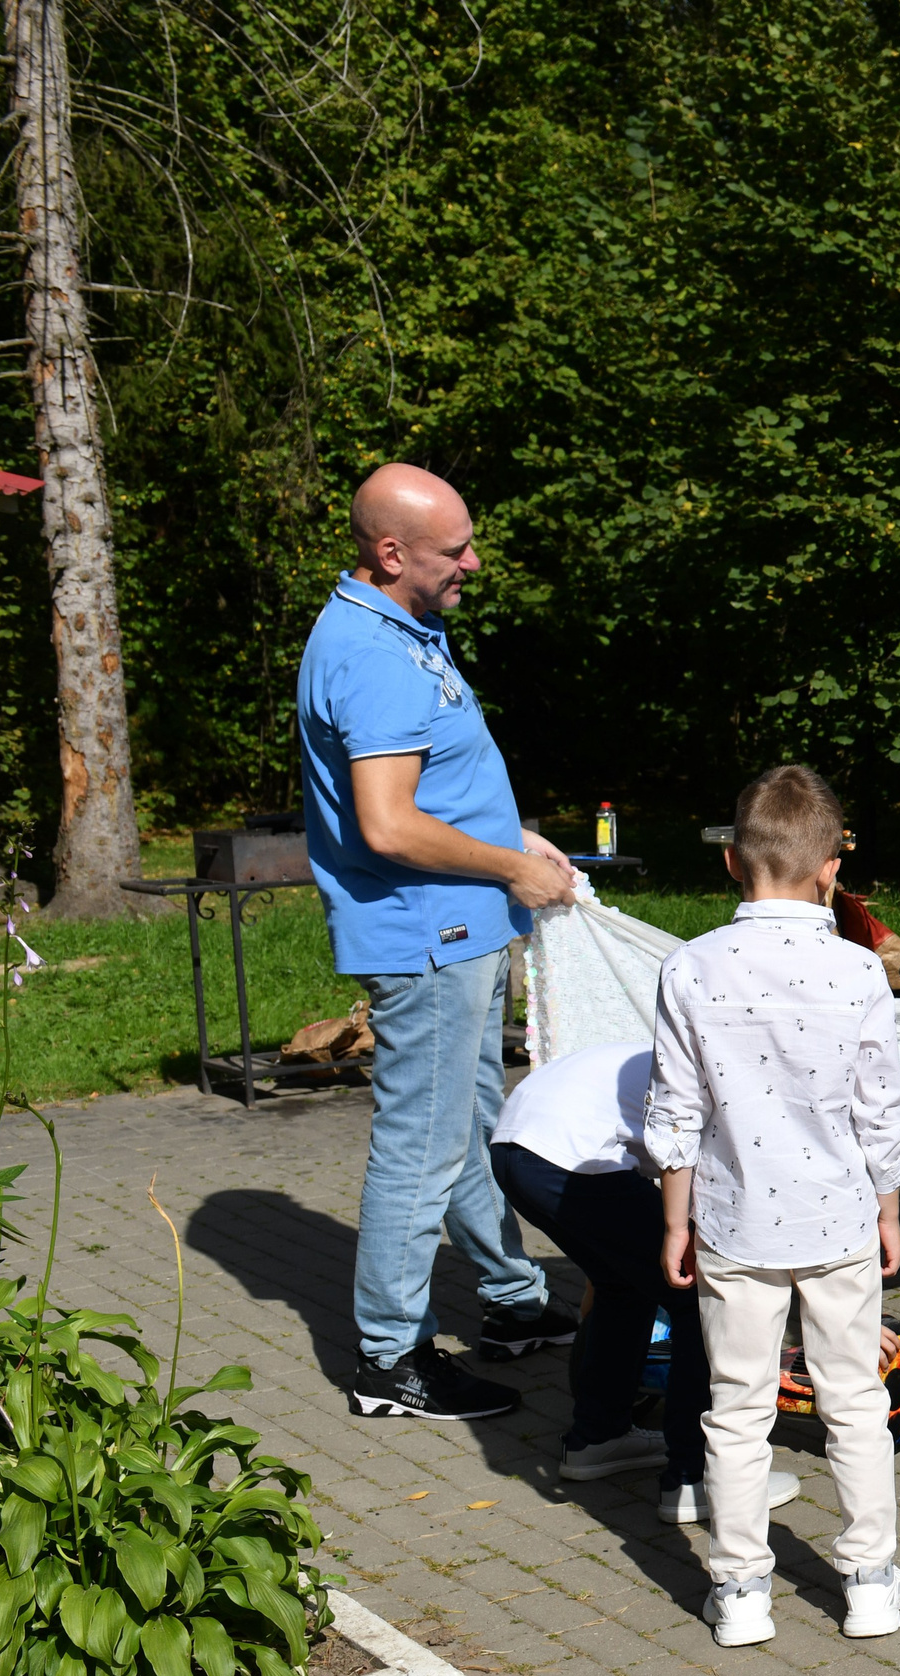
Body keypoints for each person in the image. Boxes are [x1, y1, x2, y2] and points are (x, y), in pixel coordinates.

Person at [299, 462, 579, 1423]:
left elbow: (440, 785)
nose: (473, 561)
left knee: (467, 1122)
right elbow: (386, 824)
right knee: (421, 1144)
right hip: (427, 933)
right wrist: (506, 870)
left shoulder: (402, 629)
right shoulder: (373, 655)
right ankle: (390, 1357)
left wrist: (514, 840)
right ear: (391, 552)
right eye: (455, 548)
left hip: (455, 921)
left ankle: (510, 1300)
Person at [647, 765, 900, 1646]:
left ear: (734, 862)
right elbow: (880, 1109)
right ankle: (870, 1577)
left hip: (734, 1219)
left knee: (735, 1406)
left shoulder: (689, 967)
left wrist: (675, 1220)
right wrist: (890, 1209)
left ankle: (740, 1589)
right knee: (854, 1401)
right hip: (839, 1217)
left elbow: (675, 1112)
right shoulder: (858, 971)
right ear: (831, 869)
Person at [488, 1042, 713, 1507]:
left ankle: (598, 1437)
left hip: (513, 1149)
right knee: (700, 1295)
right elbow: (751, 1226)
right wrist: (834, 1314)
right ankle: (695, 1477)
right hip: (568, 1153)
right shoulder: (729, 1090)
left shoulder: (685, 1058)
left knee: (623, 1284)